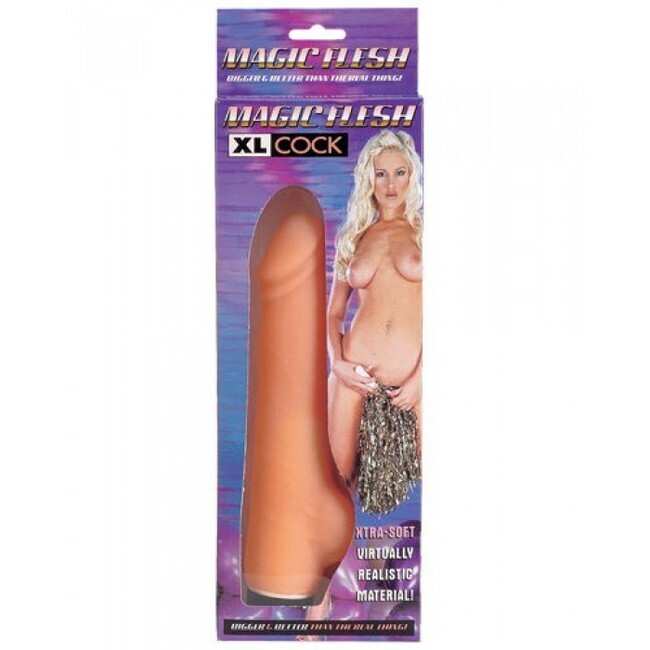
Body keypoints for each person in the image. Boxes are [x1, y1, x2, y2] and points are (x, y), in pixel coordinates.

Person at [300, 130, 423, 635]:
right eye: (381, 173)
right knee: (333, 485)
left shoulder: (429, 232)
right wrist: (337, 363)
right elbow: (333, 314)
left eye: (400, 172)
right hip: (354, 375)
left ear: (413, 177)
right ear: (367, 179)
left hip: (417, 376)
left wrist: (424, 377)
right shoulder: (353, 236)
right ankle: (318, 601)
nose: (391, 183)